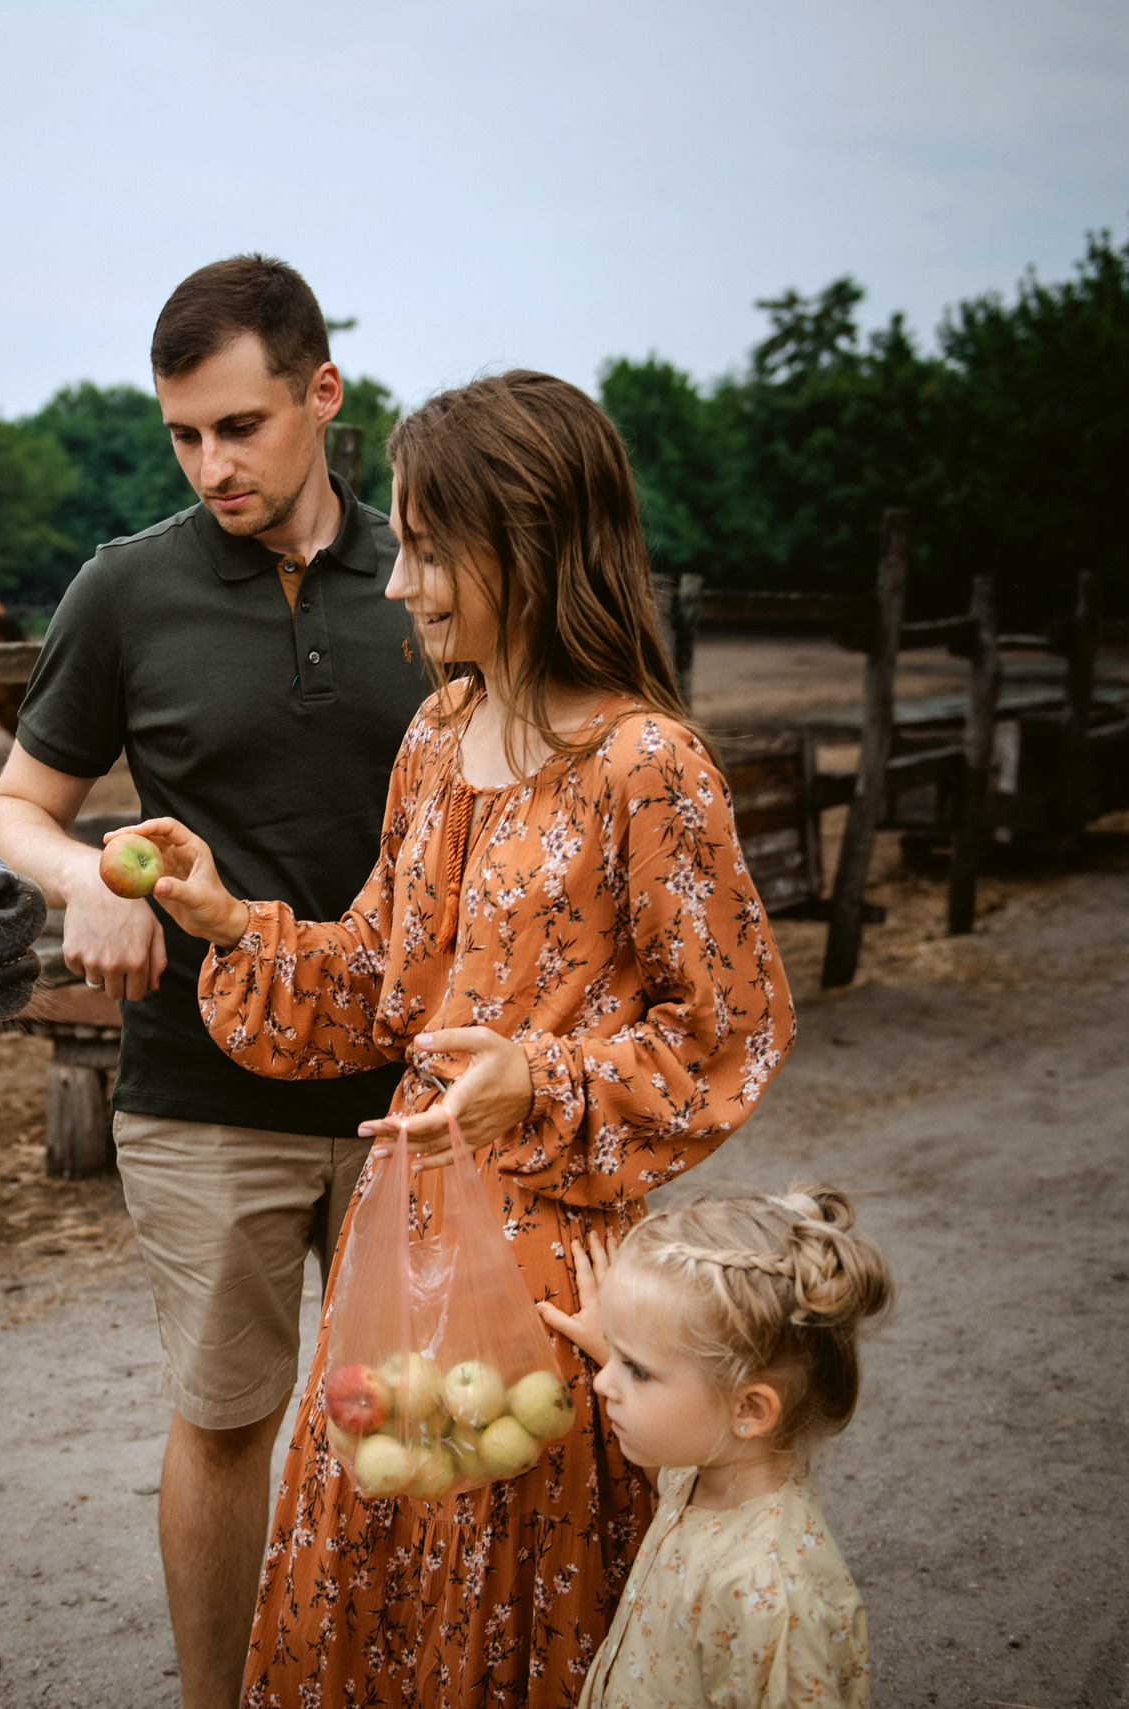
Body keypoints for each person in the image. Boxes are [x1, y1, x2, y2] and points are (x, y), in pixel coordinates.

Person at [117, 369, 796, 1706]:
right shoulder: (437, 734)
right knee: (381, 1580)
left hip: (552, 1284)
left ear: (527, 544)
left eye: (428, 549)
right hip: (403, 1253)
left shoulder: (646, 766)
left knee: (515, 1611)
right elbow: (382, 978)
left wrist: (535, 1079)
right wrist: (230, 921)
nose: (396, 582)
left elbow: (730, 1033)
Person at [0, 255, 431, 1708]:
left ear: (322, 392)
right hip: (201, 1084)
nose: (211, 463)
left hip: (415, 1093)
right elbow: (15, 809)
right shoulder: (126, 587)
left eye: (240, 425)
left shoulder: (430, 575)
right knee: (230, 1418)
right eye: (183, 434)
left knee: (410, 1423)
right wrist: (84, 881)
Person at [539, 1187, 886, 1707]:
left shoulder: (770, 1598)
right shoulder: (704, 1466)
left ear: (749, 1409)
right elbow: (667, 1482)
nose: (603, 1383)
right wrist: (617, 1346)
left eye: (637, 1371)